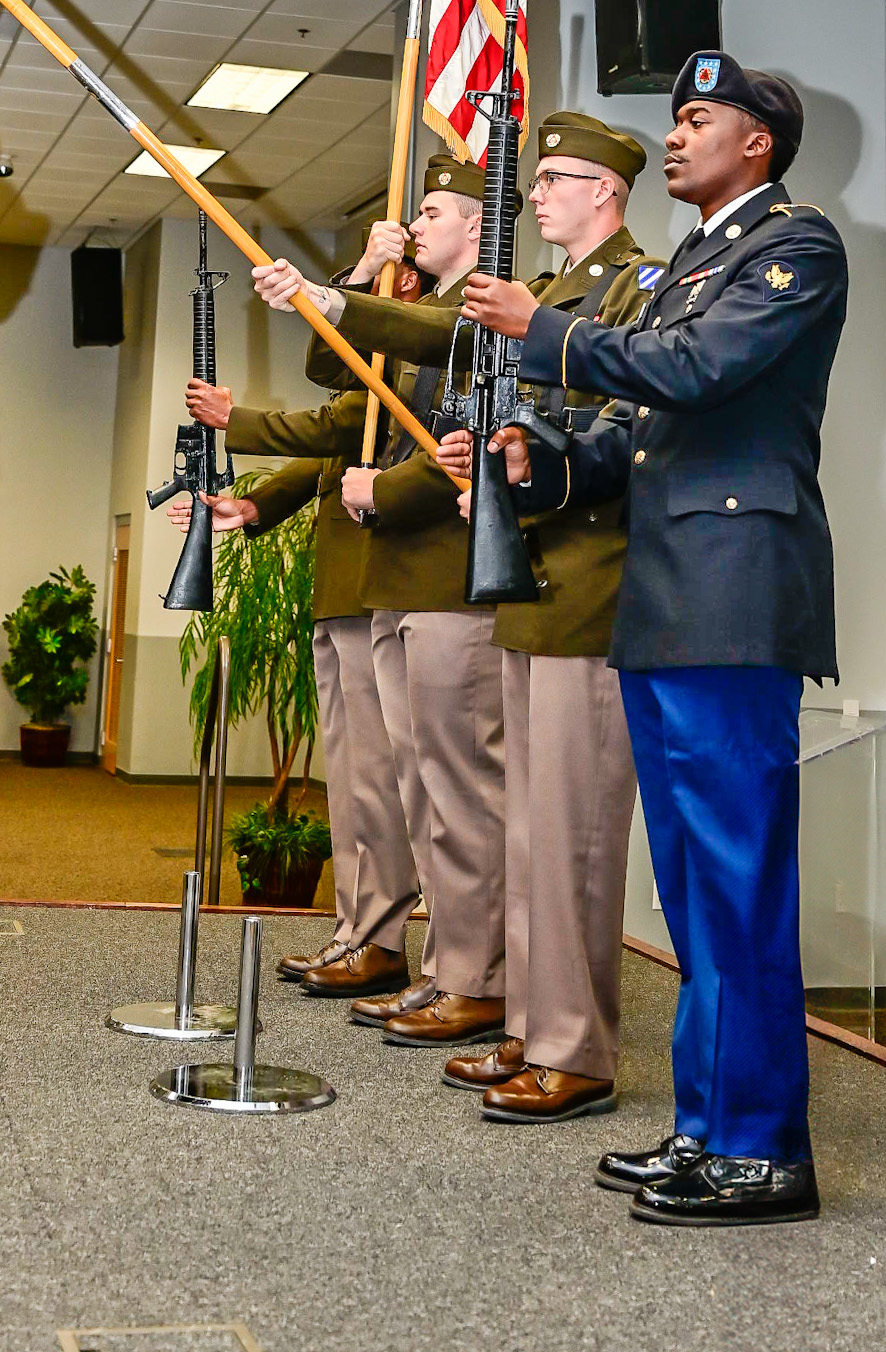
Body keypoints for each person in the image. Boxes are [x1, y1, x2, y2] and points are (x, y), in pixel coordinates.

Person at [453, 52, 846, 1227]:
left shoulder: (794, 246)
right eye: (673, 120)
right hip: (667, 601)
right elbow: (636, 433)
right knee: (688, 891)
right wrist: (538, 461)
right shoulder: (687, 266)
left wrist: (544, 330)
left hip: (734, 598)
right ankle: (705, 1123)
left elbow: (699, 370)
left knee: (738, 882)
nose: (674, 135)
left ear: (756, 141)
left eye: (697, 118)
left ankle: (765, 1148)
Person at [321, 113, 663, 1119]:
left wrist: (526, 457)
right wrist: (334, 300)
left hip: (585, 585)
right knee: (532, 835)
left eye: (553, 180)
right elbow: (460, 350)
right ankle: (530, 1022)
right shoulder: (548, 294)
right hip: (528, 585)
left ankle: (571, 1043)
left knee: (570, 841)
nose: (537, 195)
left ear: (604, 191)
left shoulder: (632, 287)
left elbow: (614, 432)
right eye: (536, 178)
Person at [251, 156, 507, 1052]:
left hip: (437, 567)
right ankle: (417, 953)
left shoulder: (476, 314)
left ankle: (453, 964)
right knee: (396, 781)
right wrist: (363, 272)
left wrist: (382, 490)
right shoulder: (414, 309)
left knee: (437, 787)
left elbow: (453, 442)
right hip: (388, 573)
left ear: (477, 222)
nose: (416, 223)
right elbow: (337, 370)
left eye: (432, 210)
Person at [174, 248, 423, 1002]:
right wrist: (260, 504)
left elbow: (344, 421)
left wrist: (239, 420)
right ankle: (358, 927)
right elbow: (332, 431)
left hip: (383, 577)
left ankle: (380, 935)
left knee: (378, 779)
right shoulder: (379, 345)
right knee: (350, 778)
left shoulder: (422, 342)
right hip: (343, 580)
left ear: (409, 282)